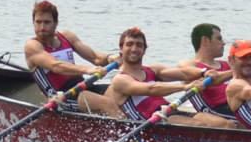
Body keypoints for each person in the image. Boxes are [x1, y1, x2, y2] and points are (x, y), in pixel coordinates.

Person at [76, 27, 208, 122]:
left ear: (144, 50)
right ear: (121, 49)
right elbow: (151, 89)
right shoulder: (120, 80)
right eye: (129, 44)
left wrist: (203, 73)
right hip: (156, 123)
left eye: (139, 45)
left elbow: (183, 73)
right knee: (198, 124)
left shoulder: (153, 70)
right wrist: (184, 87)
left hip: (169, 112)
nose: (134, 49)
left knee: (216, 122)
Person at [23, 0, 109, 96]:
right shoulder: (32, 46)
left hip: (82, 88)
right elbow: (55, 66)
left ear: (55, 23)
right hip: (61, 98)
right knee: (94, 99)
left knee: (116, 91)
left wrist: (110, 58)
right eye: (38, 22)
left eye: (47, 22)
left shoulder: (67, 36)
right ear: (33, 23)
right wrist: (87, 70)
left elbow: (95, 58)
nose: (42, 27)